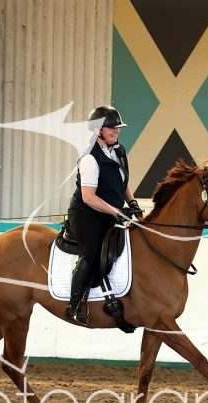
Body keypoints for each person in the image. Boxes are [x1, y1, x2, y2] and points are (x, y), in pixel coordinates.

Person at [64, 105, 142, 324]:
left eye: (118, 127)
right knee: (91, 254)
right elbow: (89, 197)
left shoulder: (119, 151)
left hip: (110, 212)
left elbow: (122, 182)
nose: (117, 131)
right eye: (111, 128)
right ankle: (74, 304)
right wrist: (116, 211)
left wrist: (132, 203)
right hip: (86, 214)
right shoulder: (90, 158)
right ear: (98, 130)